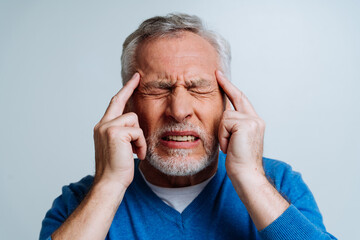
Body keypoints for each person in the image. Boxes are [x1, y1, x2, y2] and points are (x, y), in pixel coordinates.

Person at [40, 13, 336, 240]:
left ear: (227, 102)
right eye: (159, 88)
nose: (179, 111)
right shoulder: (79, 202)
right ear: (127, 105)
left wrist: (250, 179)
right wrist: (109, 187)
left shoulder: (278, 185)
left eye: (198, 88)